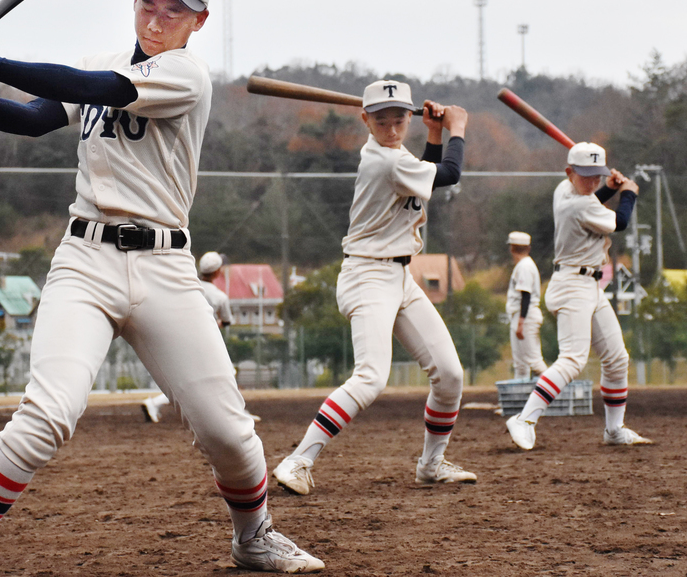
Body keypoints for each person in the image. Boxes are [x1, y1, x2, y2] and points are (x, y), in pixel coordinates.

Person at [0, 0, 323, 576]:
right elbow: (36, 117)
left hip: (164, 267)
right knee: (48, 413)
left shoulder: (186, 74)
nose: (158, 19)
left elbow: (92, 89)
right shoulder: (106, 63)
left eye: (175, 10)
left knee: (231, 435)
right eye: (148, 3)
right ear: (133, 3)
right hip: (85, 259)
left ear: (199, 21)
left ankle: (253, 537)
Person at [273, 80, 477, 497]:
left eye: (398, 118)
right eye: (381, 120)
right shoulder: (383, 160)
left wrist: (435, 134)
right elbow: (450, 175)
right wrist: (458, 128)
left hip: (399, 277)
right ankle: (298, 460)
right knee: (370, 377)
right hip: (368, 276)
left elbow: (428, 178)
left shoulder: (397, 154)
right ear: (365, 120)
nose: (391, 126)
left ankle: (431, 465)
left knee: (451, 376)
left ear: (407, 118)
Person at [506, 143, 653, 450]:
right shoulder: (580, 204)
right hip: (573, 284)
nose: (592, 182)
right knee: (572, 360)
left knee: (616, 358)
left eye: (597, 175)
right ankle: (524, 419)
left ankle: (614, 430)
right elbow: (620, 222)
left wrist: (608, 189)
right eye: (585, 175)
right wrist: (628, 192)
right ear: (569, 172)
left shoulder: (565, 191)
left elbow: (593, 202)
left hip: (589, 286)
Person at [142, 251, 233, 423]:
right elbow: (227, 321)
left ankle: (222, 415)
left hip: (180, 336)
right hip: (205, 343)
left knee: (195, 381)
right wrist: (216, 322)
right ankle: (155, 403)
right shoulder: (220, 296)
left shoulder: (187, 285)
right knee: (216, 376)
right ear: (216, 272)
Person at [505, 231, 547, 380]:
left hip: (526, 316)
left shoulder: (524, 266)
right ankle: (521, 401)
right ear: (528, 248)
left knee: (534, 362)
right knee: (521, 364)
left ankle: (558, 394)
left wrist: (521, 322)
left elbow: (526, 295)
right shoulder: (525, 265)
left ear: (511, 248)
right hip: (523, 316)